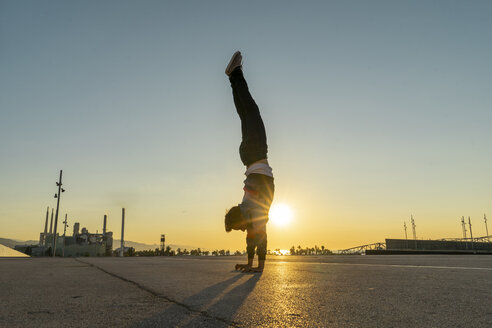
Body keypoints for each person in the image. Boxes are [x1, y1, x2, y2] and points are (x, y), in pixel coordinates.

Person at [224, 51, 274, 273]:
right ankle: (233, 77)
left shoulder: (253, 212)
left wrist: (258, 267)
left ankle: (235, 74)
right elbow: (253, 237)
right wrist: (250, 264)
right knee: (246, 114)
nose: (242, 232)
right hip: (248, 158)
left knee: (251, 111)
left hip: (255, 154)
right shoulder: (248, 210)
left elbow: (258, 237)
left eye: (238, 228)